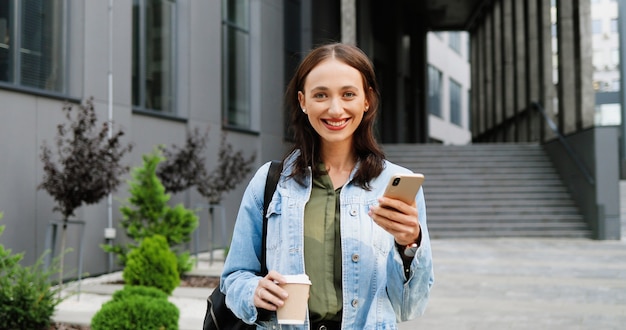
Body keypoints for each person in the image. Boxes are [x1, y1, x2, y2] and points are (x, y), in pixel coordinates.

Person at [220, 42, 434, 329]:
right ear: (303, 101)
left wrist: (409, 245)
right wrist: (253, 291)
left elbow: (409, 307)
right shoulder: (271, 182)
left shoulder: (395, 186)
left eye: (348, 94)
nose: (336, 109)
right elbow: (234, 277)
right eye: (321, 95)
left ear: (367, 100)